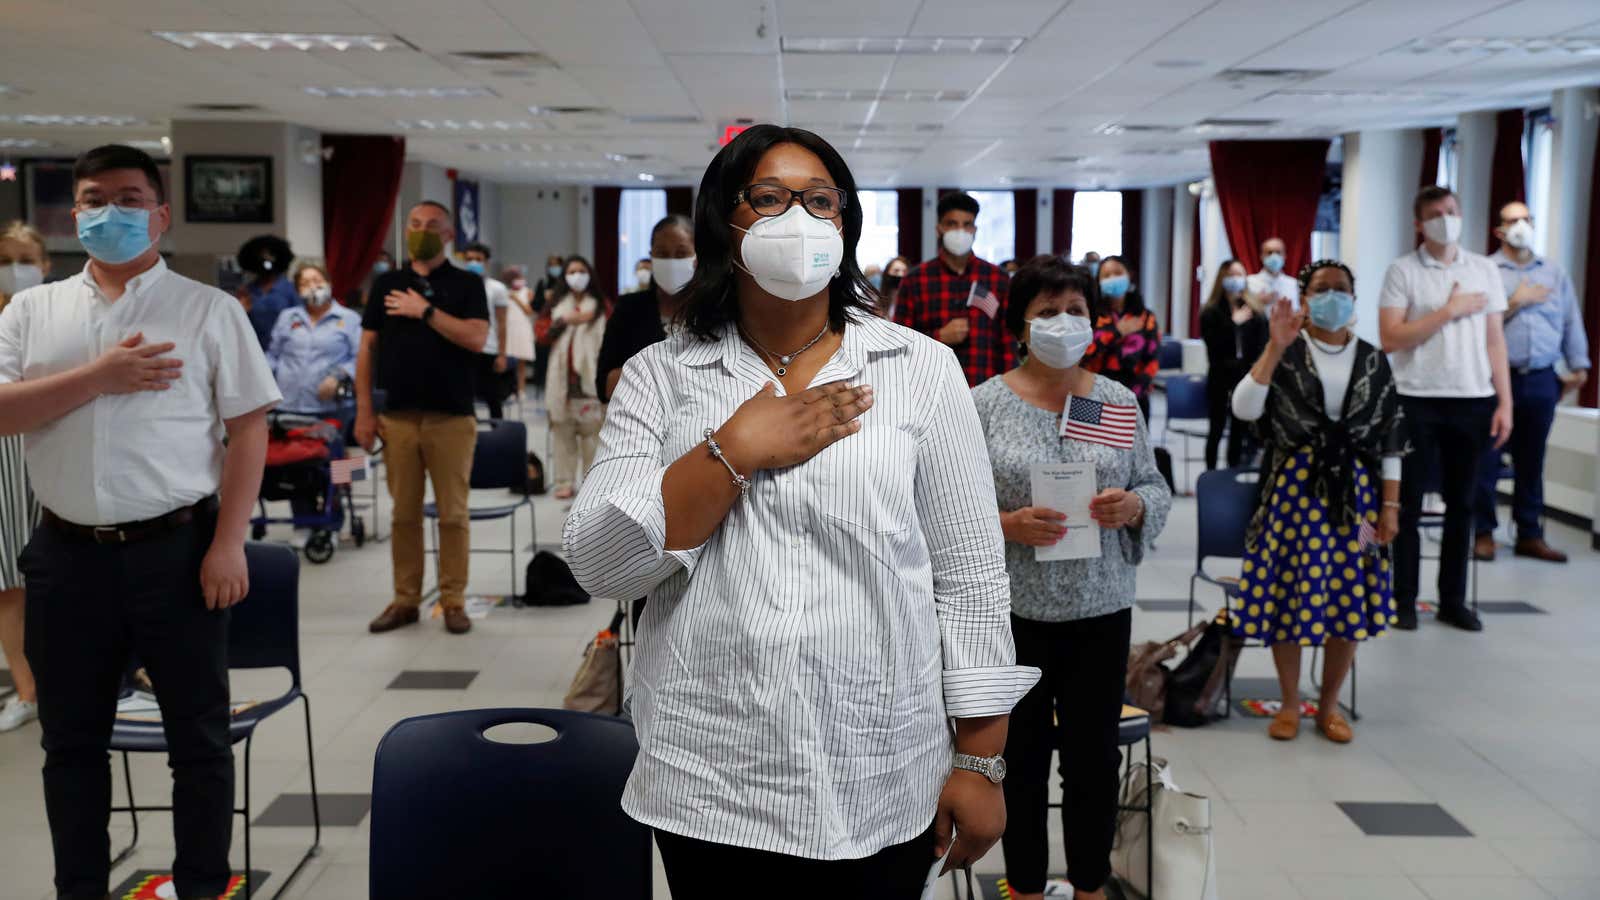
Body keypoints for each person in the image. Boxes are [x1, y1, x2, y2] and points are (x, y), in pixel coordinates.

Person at [563, 124, 1037, 895]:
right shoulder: (663, 374)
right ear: (727, 219)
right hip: (709, 773)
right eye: (770, 198)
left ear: (845, 225)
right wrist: (732, 451)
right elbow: (603, 563)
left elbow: (973, 578)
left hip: (881, 766)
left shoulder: (920, 369)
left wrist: (981, 762)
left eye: (820, 202)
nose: (798, 220)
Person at [0, 144, 279, 900]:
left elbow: (249, 429)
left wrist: (229, 543)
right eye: (94, 199)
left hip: (179, 550)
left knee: (198, 742)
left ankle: (200, 888)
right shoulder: (34, 310)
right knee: (71, 746)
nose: (109, 212)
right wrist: (99, 378)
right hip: (65, 555)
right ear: (75, 212)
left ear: (159, 213)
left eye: (128, 198)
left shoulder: (207, 310)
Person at [975, 256, 1171, 900]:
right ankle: (1026, 886)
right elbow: (947, 505)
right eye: (1047, 312)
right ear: (1018, 324)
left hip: (1100, 609)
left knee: (1093, 761)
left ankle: (1090, 885)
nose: (1064, 324)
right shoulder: (983, 406)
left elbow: (1149, 482)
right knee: (1021, 761)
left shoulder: (1112, 399)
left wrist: (1134, 506)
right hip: (1015, 613)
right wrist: (1007, 523)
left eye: (1077, 312)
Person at [1231, 261, 1406, 744]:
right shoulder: (1286, 352)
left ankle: (1328, 707)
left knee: (1348, 597)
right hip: (1294, 492)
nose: (1333, 297)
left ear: (1355, 297)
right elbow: (1244, 408)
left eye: (1342, 290)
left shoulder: (1372, 359)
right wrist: (1274, 345)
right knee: (1290, 594)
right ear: (1304, 298)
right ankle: (1289, 702)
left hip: (1359, 499)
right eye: (1322, 289)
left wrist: (1390, 508)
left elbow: (1392, 438)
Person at [1379, 185, 1512, 633]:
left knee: (1463, 504)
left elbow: (1495, 339)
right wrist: (1448, 311)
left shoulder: (1484, 269)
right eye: (1435, 213)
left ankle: (1453, 600)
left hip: (1472, 398)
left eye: (1451, 211)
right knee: (1408, 507)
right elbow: (1392, 337)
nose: (1445, 219)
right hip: (1415, 398)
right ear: (1420, 223)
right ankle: (1404, 599)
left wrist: (1504, 401)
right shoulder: (1403, 271)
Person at [357, 200, 489, 636]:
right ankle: (405, 599)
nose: (421, 231)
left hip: (451, 417)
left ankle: (452, 600)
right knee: (403, 514)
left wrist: (425, 312)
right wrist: (364, 410)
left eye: (432, 225)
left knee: (453, 514)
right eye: (414, 224)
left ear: (449, 235)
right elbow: (367, 350)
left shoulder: (468, 284)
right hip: (397, 417)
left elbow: (476, 338)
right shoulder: (387, 283)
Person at [1473, 201, 1590, 563]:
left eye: (1525, 219)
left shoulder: (1553, 273)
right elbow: (1478, 323)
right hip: (1495, 378)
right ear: (1499, 230)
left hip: (1541, 377)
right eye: (1512, 221)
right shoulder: (1487, 271)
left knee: (1532, 459)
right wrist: (1515, 301)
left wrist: (1580, 367)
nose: (1520, 226)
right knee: (1487, 458)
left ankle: (1529, 533)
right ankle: (1483, 532)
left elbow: (1570, 320)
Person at [267, 261, 362, 547]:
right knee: (294, 467)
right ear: (297, 290)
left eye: (317, 280)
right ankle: (303, 522)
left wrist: (339, 376)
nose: (312, 287)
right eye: (305, 283)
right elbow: (273, 354)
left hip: (331, 408)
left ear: (329, 283)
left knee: (334, 466)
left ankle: (335, 523)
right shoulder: (288, 317)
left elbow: (359, 359)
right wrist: (264, 382)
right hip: (290, 405)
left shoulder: (347, 319)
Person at [0, 220, 47, 733]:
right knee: (7, 577)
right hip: (2, 456)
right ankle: (27, 688)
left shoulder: (57, 315)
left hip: (53, 450)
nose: (16, 271)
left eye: (25, 260)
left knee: (62, 571)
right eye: (5, 261)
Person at [893, 191, 1015, 386]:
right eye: (952, 224)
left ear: (975, 229)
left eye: (967, 224)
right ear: (939, 229)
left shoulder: (997, 279)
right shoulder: (915, 280)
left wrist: (1009, 390)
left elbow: (1009, 342)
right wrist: (938, 337)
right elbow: (899, 343)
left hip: (986, 389)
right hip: (933, 389)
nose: (960, 231)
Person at [596, 214, 694, 403]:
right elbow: (605, 385)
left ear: (697, 256)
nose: (672, 262)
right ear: (651, 257)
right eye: (662, 254)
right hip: (639, 423)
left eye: (681, 254)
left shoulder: (715, 312)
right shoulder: (629, 309)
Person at [545, 255, 607, 499]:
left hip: (589, 381)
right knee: (562, 434)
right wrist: (563, 320)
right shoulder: (557, 305)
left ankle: (591, 482)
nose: (577, 276)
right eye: (572, 271)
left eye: (581, 270)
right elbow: (542, 335)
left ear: (590, 275)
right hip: (562, 380)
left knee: (592, 437)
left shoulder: (601, 306)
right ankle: (564, 481)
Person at [1199, 259, 1268, 469]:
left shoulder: (1254, 310)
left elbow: (1261, 345)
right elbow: (1213, 346)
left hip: (1244, 376)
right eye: (1231, 275)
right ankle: (1210, 473)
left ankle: (1233, 471)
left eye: (1240, 274)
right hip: (1219, 375)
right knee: (1216, 428)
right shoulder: (1210, 311)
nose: (1236, 279)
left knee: (1240, 429)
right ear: (1222, 279)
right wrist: (1232, 324)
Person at [1082, 255, 1162, 420]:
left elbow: (1153, 359)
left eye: (1117, 273)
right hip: (1092, 393)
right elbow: (1083, 354)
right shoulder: (1090, 315)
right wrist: (1117, 332)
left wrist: (1135, 392)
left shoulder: (1145, 317)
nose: (1112, 278)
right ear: (1099, 281)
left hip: (1134, 396)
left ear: (1129, 276)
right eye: (1106, 275)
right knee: (1087, 443)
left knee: (1135, 444)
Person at [461, 242, 513, 419]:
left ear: (486, 262)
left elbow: (502, 323)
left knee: (493, 398)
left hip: (489, 349)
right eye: (469, 259)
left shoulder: (496, 288)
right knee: (464, 398)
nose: (473, 262)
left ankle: (498, 438)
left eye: (478, 259)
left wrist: (502, 354)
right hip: (464, 348)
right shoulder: (459, 286)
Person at [236, 233, 299, 350]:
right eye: (261, 257)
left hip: (285, 351)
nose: (266, 261)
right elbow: (237, 324)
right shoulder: (247, 291)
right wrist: (242, 310)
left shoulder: (291, 290)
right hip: (255, 349)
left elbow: (301, 321)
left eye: (270, 256)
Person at [501, 266, 538, 403]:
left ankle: (521, 390)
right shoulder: (505, 293)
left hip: (522, 329)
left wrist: (516, 299)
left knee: (521, 364)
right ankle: (510, 390)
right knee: (509, 363)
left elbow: (530, 311)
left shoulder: (528, 292)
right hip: (509, 329)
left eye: (519, 278)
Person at [1247, 236, 1300, 309]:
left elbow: (1296, 310)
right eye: (1269, 252)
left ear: (1284, 256)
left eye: (1278, 252)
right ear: (1261, 256)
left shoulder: (1293, 284)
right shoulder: (1249, 282)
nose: (1274, 256)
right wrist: (1257, 303)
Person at [876, 255, 910, 319]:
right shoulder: (878, 301)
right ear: (887, 274)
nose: (901, 274)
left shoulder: (911, 299)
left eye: (905, 271)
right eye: (896, 271)